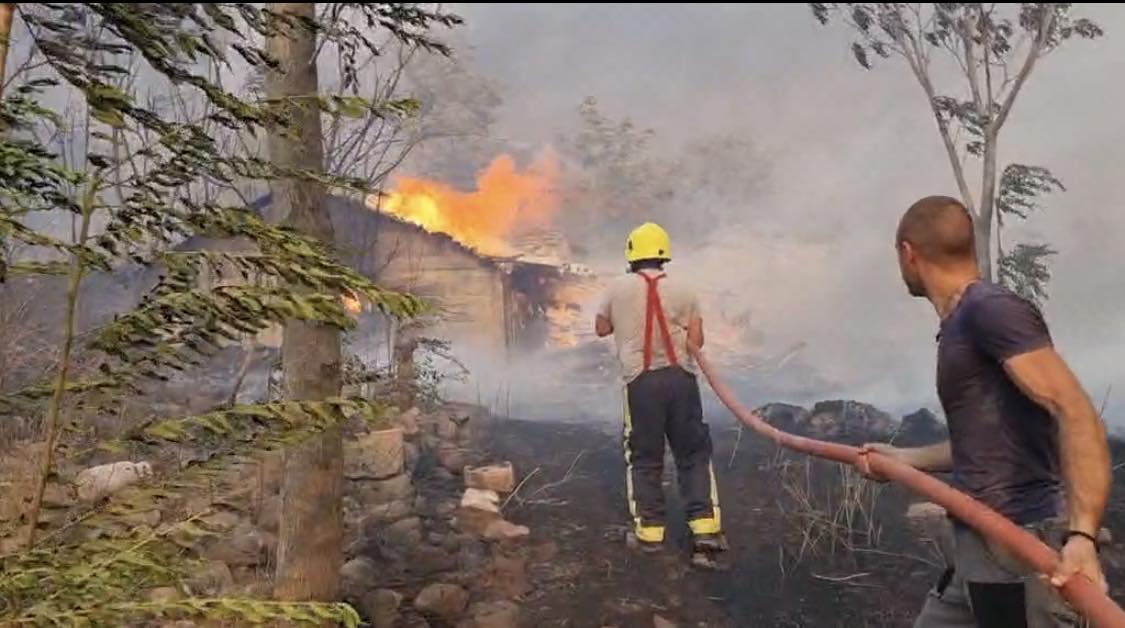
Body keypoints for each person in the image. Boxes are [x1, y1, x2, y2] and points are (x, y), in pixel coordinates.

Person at [859, 196, 1111, 627]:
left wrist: (1082, 535)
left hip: (1016, 545)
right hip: (977, 547)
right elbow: (986, 443)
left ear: (908, 253)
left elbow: (1074, 409)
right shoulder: (962, 320)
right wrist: (903, 460)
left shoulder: (990, 310)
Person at [595, 222, 727, 564]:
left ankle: (649, 532)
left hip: (641, 383)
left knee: (643, 456)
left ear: (631, 253)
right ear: (664, 254)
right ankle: (706, 531)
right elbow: (696, 342)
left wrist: (626, 320)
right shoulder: (686, 289)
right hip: (682, 381)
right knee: (694, 454)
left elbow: (600, 328)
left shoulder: (616, 287)